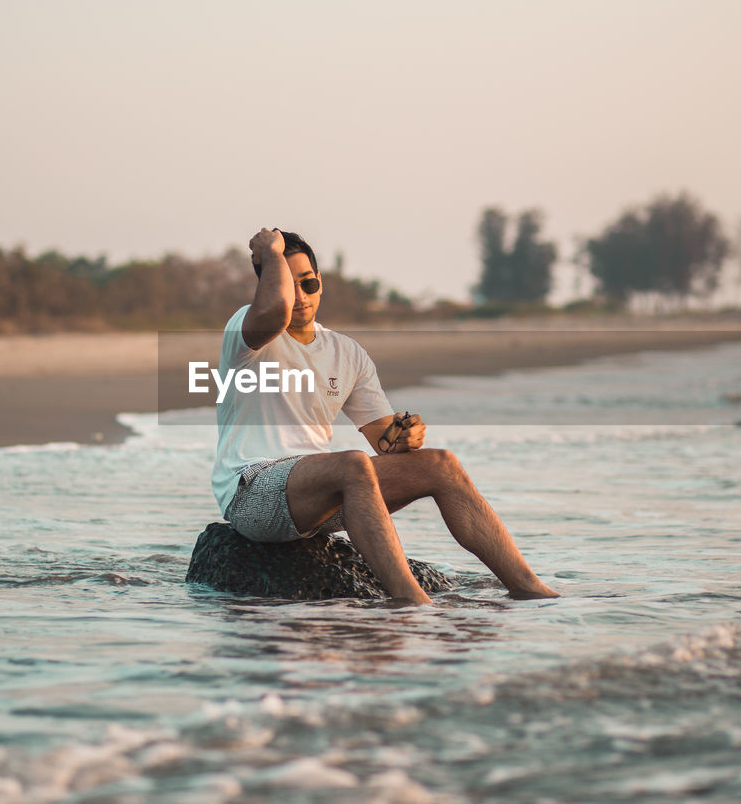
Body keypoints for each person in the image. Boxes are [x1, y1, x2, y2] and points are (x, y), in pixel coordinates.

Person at [211, 227, 559, 605]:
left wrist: (406, 437)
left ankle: (529, 587)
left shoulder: (346, 352)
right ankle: (412, 602)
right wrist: (270, 251)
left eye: (308, 284)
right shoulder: (246, 332)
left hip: (314, 498)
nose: (300, 297)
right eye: (288, 285)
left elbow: (384, 439)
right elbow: (274, 310)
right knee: (352, 465)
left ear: (320, 283)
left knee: (442, 464)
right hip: (252, 489)